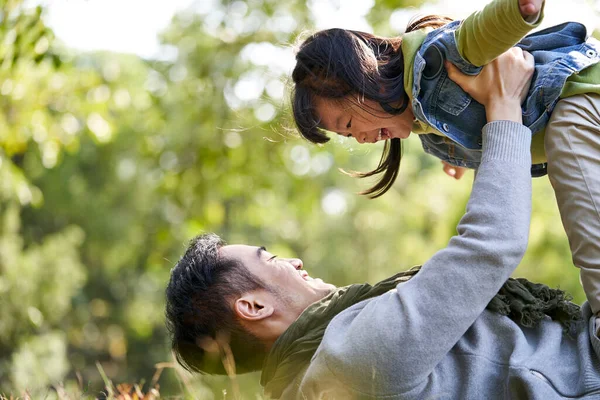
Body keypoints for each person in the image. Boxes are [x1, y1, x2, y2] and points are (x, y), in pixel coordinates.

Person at [165, 50, 600, 398]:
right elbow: (491, 246)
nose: (293, 261)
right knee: (574, 114)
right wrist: (503, 108)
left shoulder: (320, 376)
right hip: (591, 363)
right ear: (253, 307)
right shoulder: (350, 360)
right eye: (269, 258)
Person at [290, 0, 600, 329]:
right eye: (347, 137)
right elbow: (481, 135)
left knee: (588, 224)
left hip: (575, 97)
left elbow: (478, 35)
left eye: (349, 123)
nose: (362, 140)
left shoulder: (433, 60)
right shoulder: (431, 134)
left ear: (361, 77)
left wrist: (519, 10)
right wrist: (464, 157)